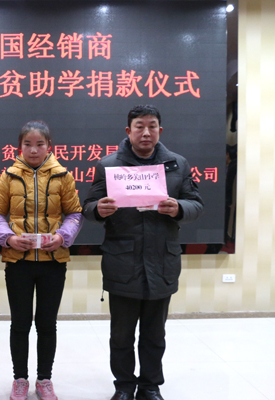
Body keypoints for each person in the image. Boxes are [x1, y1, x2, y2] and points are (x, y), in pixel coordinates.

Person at [82, 105, 204, 400]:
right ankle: (124, 386)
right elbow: (88, 207)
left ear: (160, 130)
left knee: (155, 334)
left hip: (162, 262)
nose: (146, 132)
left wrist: (179, 208)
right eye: (139, 126)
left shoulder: (177, 164)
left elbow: (196, 204)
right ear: (129, 131)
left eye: (152, 126)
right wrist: (98, 210)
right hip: (122, 261)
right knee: (121, 335)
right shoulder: (108, 165)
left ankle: (150, 386)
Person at [0, 121, 83, 400]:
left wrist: (62, 237)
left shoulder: (63, 176)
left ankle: (44, 379)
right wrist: (8, 238)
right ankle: (19, 379)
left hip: (53, 262)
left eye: (39, 144)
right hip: (19, 262)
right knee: (20, 323)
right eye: (27, 144)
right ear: (19, 147)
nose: (33, 150)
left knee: (47, 324)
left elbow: (75, 214)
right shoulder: (8, 176)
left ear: (49, 146)